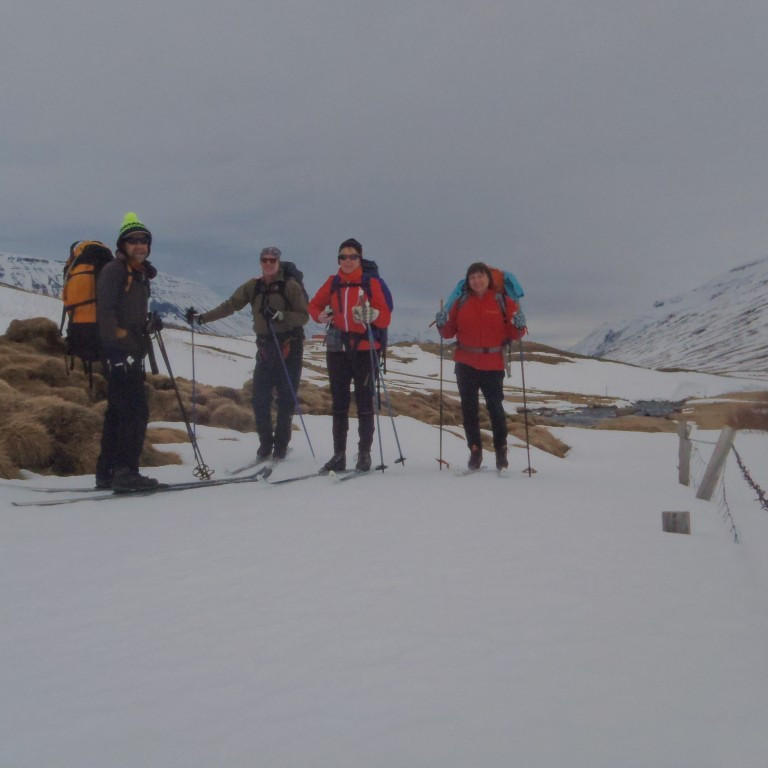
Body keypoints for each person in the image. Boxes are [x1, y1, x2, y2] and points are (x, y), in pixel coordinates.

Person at [185, 247, 309, 461]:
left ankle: (280, 445)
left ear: (278, 262)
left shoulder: (291, 286)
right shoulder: (253, 286)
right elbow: (231, 305)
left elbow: (304, 317)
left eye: (272, 260)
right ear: (260, 262)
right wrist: (202, 319)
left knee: (286, 400)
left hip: (290, 348)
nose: (268, 263)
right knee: (259, 399)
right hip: (265, 348)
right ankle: (265, 444)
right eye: (264, 260)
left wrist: (280, 315)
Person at [308, 238, 392, 473]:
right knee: (339, 402)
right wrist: (320, 316)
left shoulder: (371, 283)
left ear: (360, 259)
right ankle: (339, 455)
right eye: (343, 256)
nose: (347, 260)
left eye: (352, 256)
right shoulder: (332, 282)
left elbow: (385, 318)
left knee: (365, 402)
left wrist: (372, 314)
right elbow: (313, 305)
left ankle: (364, 454)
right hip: (337, 349)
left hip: (366, 349)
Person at [435, 262, 527, 471]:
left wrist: (520, 325)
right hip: (465, 363)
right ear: (468, 281)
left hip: (493, 363)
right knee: (469, 409)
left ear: (488, 279)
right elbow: (448, 333)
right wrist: (442, 323)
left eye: (480, 276)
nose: (476, 281)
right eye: (472, 277)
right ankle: (475, 451)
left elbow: (515, 333)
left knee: (495, 409)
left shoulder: (503, 301)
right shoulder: (461, 302)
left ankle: (501, 452)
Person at [95, 212, 160, 491]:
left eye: (143, 241)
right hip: (121, 354)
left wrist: (149, 325)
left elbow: (128, 313)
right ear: (122, 245)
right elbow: (105, 311)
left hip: (127, 353)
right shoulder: (115, 270)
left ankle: (107, 472)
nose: (139, 245)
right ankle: (126, 472)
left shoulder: (137, 273)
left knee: (118, 413)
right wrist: (120, 342)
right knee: (135, 413)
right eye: (133, 241)